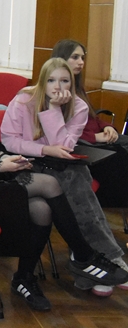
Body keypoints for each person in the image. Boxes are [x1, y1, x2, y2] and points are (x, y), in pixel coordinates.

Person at [0, 44, 128, 307]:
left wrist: (3, 158)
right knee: (50, 183)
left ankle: (24, 278)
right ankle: (83, 256)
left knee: (42, 209)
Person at [0, 57, 128, 295]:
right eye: (51, 80)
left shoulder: (78, 106)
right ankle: (101, 257)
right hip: (26, 165)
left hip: (58, 165)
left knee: (78, 176)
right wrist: (44, 149)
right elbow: (9, 141)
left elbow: (65, 145)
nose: (58, 87)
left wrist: (54, 110)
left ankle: (89, 265)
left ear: (72, 83)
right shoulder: (24, 100)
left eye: (64, 81)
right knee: (78, 180)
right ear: (42, 81)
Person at [52, 38, 128, 217]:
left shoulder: (77, 87)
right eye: (75, 57)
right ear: (62, 58)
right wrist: (95, 137)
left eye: (82, 57)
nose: (81, 62)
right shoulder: (55, 90)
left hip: (97, 138)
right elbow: (63, 130)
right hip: (83, 145)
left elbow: (92, 117)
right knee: (121, 155)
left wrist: (107, 127)